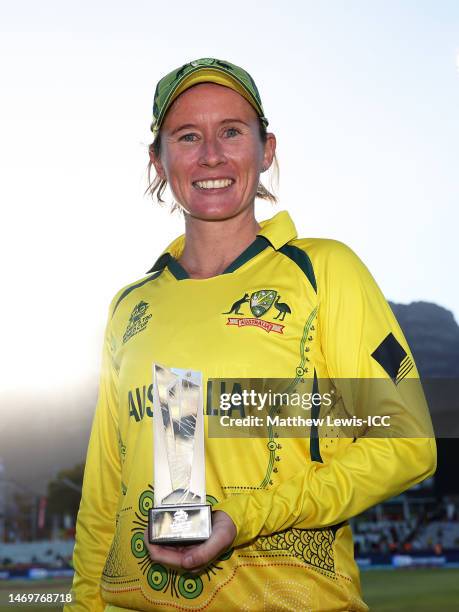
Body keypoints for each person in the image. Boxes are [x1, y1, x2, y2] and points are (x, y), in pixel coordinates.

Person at [66, 58, 436, 611]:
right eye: (187, 136)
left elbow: (407, 443)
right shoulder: (129, 307)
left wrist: (247, 515)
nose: (211, 155)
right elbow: (102, 495)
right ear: (158, 161)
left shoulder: (323, 272)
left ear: (266, 150)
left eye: (232, 132)